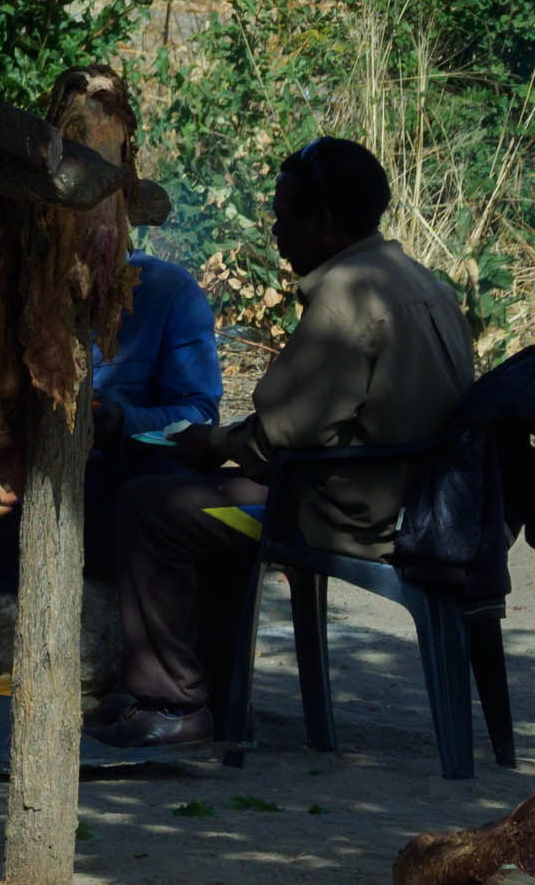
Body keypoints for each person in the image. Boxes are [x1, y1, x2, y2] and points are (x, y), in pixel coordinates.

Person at [94, 137, 474, 748]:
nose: (275, 232)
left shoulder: (349, 293)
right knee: (198, 502)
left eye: (283, 217)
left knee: (151, 507)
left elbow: (285, 432)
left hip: (347, 513)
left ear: (325, 223)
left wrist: (210, 442)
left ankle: (172, 703)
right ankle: (213, 692)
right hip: (414, 500)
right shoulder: (418, 279)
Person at [82, 247, 224, 575]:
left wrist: (124, 421)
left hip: (119, 487)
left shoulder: (168, 291)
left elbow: (199, 414)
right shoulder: (23, 285)